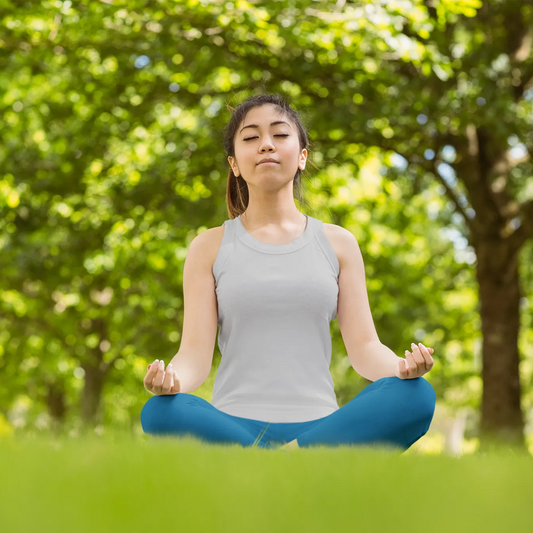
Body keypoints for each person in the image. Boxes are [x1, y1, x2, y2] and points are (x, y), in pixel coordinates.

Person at [140, 93, 436, 451]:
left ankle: (276, 462)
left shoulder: (339, 243)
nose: (266, 145)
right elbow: (194, 356)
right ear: (234, 164)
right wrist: (171, 380)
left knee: (417, 395)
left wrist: (402, 369)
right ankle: (294, 464)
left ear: (302, 156)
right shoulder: (209, 246)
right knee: (159, 411)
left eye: (279, 135)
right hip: (233, 426)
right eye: (251, 138)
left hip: (320, 427)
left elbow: (365, 347)